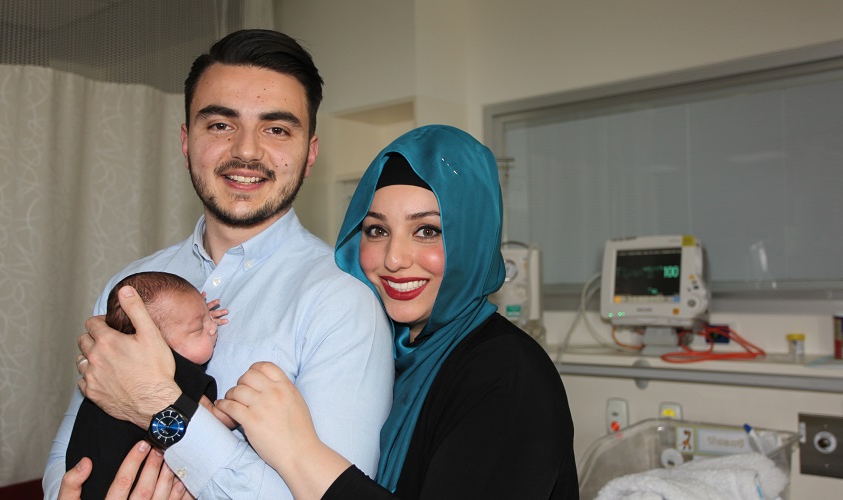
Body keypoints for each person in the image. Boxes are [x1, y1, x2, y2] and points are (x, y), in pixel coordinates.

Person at [43, 29, 394, 499]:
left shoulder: (343, 302)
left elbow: (332, 493)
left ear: (309, 153)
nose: (246, 151)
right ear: (187, 141)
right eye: (220, 125)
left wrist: (157, 405)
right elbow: (67, 458)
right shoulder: (132, 287)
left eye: (276, 129)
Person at [218, 124, 580, 499]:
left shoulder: (507, 374)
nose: (393, 258)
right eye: (376, 230)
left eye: (427, 231)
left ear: (473, 238)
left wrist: (297, 451)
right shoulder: (386, 351)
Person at [65, 271, 230, 499]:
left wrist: (196, 316)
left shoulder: (114, 362)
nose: (212, 328)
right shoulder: (171, 367)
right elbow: (214, 419)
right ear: (156, 343)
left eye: (209, 316)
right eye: (197, 328)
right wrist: (240, 408)